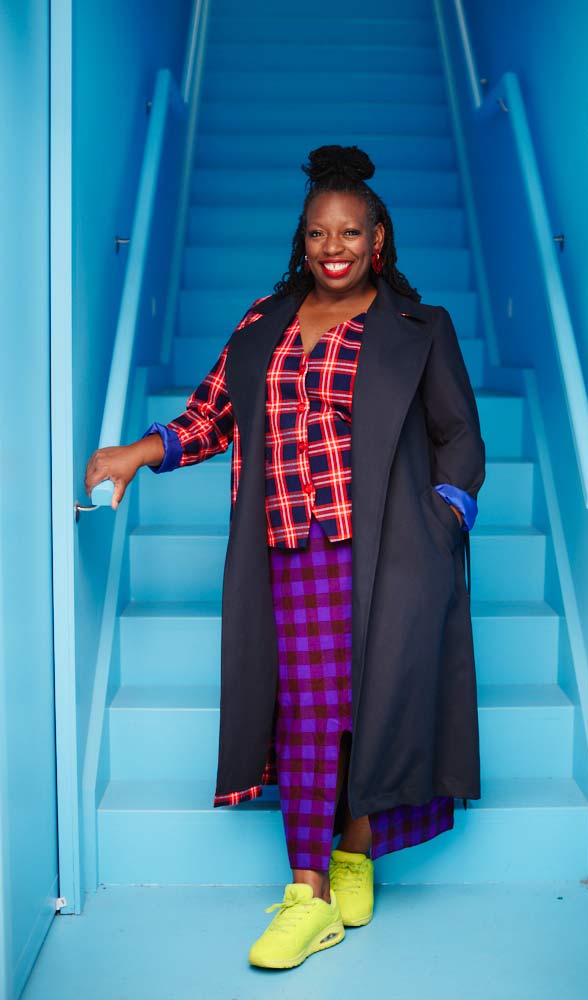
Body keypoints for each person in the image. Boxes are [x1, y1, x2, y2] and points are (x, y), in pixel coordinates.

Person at [85, 144, 486, 970]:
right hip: (289, 552)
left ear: (378, 239)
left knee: (378, 707)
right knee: (308, 716)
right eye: (316, 234)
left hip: (391, 551)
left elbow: (458, 436)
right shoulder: (262, 322)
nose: (332, 248)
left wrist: (444, 518)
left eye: (349, 233)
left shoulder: (419, 326)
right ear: (300, 242)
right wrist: (137, 451)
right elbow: (208, 416)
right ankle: (308, 894)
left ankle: (354, 852)